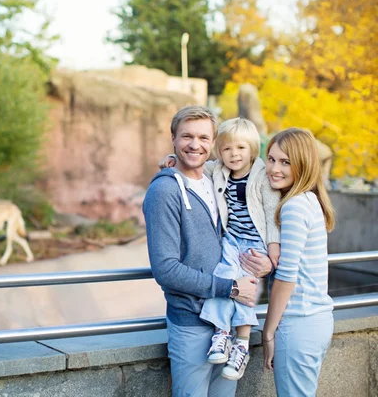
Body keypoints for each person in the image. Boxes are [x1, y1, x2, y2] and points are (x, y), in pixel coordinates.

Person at [142, 106, 272, 397]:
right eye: (186, 136)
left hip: (226, 323)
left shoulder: (216, 181)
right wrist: (230, 289)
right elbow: (165, 269)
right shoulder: (165, 191)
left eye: (203, 138)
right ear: (173, 138)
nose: (194, 145)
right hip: (192, 322)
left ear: (213, 144)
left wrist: (267, 263)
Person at [262, 127, 335, 396]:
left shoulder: (293, 207)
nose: (274, 169)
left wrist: (268, 332)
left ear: (303, 165)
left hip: (298, 323)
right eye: (271, 159)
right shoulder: (310, 200)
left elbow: (287, 277)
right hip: (317, 320)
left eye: (285, 162)